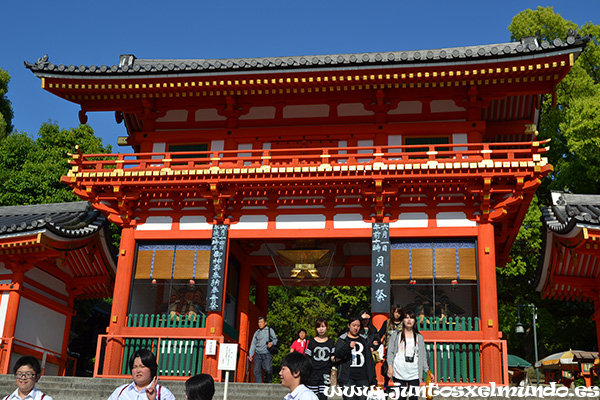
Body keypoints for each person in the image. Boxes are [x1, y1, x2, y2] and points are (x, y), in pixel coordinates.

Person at [386, 310, 430, 400]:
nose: (409, 320)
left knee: (414, 398)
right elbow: (390, 352)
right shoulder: (396, 335)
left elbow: (422, 356)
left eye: (411, 318)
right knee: (400, 398)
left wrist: (427, 371)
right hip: (399, 371)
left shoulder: (419, 337)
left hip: (414, 372)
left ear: (414, 321)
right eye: (406, 318)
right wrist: (390, 367)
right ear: (403, 320)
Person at [334, 316, 376, 400]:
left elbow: (369, 360)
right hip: (347, 377)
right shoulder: (342, 339)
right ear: (348, 325)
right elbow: (337, 354)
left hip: (363, 377)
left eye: (358, 325)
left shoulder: (364, 340)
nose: (356, 328)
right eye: (353, 325)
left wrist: (373, 378)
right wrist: (347, 347)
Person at [107, 349, 175, 400]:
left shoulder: (163, 394)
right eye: (134, 367)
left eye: (142, 367)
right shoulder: (120, 391)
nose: (138, 371)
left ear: (151, 368)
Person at [305, 319, 335, 400]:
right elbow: (307, 358)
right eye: (318, 327)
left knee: (323, 397)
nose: (321, 329)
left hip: (325, 373)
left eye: (323, 326)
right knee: (312, 396)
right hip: (313, 373)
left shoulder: (331, 342)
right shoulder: (311, 342)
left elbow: (333, 357)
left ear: (327, 327)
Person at [378, 304, 403, 389]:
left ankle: (399, 387)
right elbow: (380, 334)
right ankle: (386, 386)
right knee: (388, 368)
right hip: (389, 349)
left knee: (399, 370)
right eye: (395, 312)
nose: (397, 314)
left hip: (400, 350)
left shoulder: (404, 324)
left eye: (399, 312)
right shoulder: (387, 323)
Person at [248, 316, 278, 383]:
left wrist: (272, 343)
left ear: (265, 323)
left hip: (267, 353)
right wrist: (251, 354)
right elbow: (253, 343)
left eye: (261, 322)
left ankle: (268, 382)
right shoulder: (257, 333)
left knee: (268, 369)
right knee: (256, 370)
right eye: (259, 322)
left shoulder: (270, 330)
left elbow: (275, 339)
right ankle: (259, 385)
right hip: (258, 354)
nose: (260, 324)